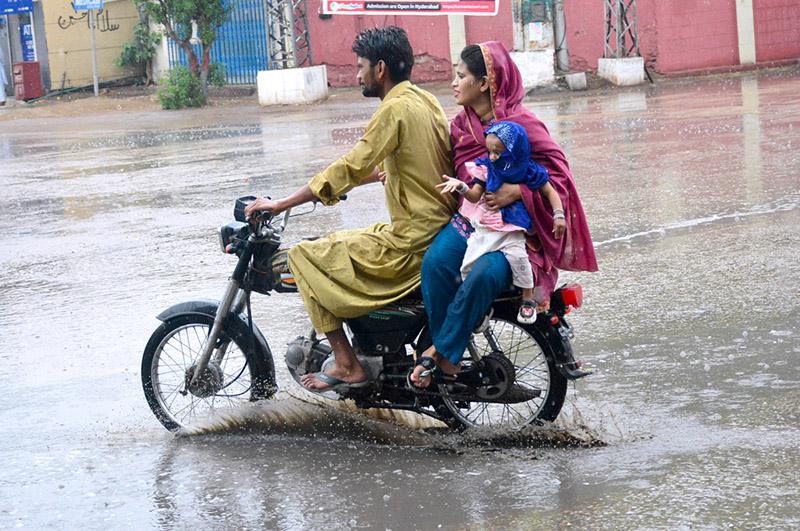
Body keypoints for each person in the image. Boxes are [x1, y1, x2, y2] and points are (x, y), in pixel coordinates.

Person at [244, 26, 455, 391]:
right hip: (435, 230)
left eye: (361, 67)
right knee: (339, 240)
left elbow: (350, 166)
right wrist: (356, 182)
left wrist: (280, 204)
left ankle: (345, 362)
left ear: (381, 69)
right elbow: (388, 165)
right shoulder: (426, 101)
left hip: (410, 243)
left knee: (303, 256)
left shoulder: (394, 109)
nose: (357, 75)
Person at [410, 41, 598, 388]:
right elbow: (452, 169)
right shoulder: (461, 127)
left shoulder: (523, 125)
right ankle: (450, 365)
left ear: (484, 83)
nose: (453, 83)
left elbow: (559, 180)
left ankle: (437, 353)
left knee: (483, 275)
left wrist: (519, 192)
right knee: (435, 264)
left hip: (515, 229)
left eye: (461, 75)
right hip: (474, 220)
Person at [438, 121, 566, 325]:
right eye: (489, 151)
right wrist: (461, 186)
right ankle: (479, 306)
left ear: (515, 150)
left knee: (520, 261)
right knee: (467, 267)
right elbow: (473, 196)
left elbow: (550, 192)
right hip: (485, 229)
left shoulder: (529, 170)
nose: (492, 157)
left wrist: (559, 215)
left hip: (511, 228)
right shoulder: (485, 168)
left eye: (498, 152)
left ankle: (527, 300)